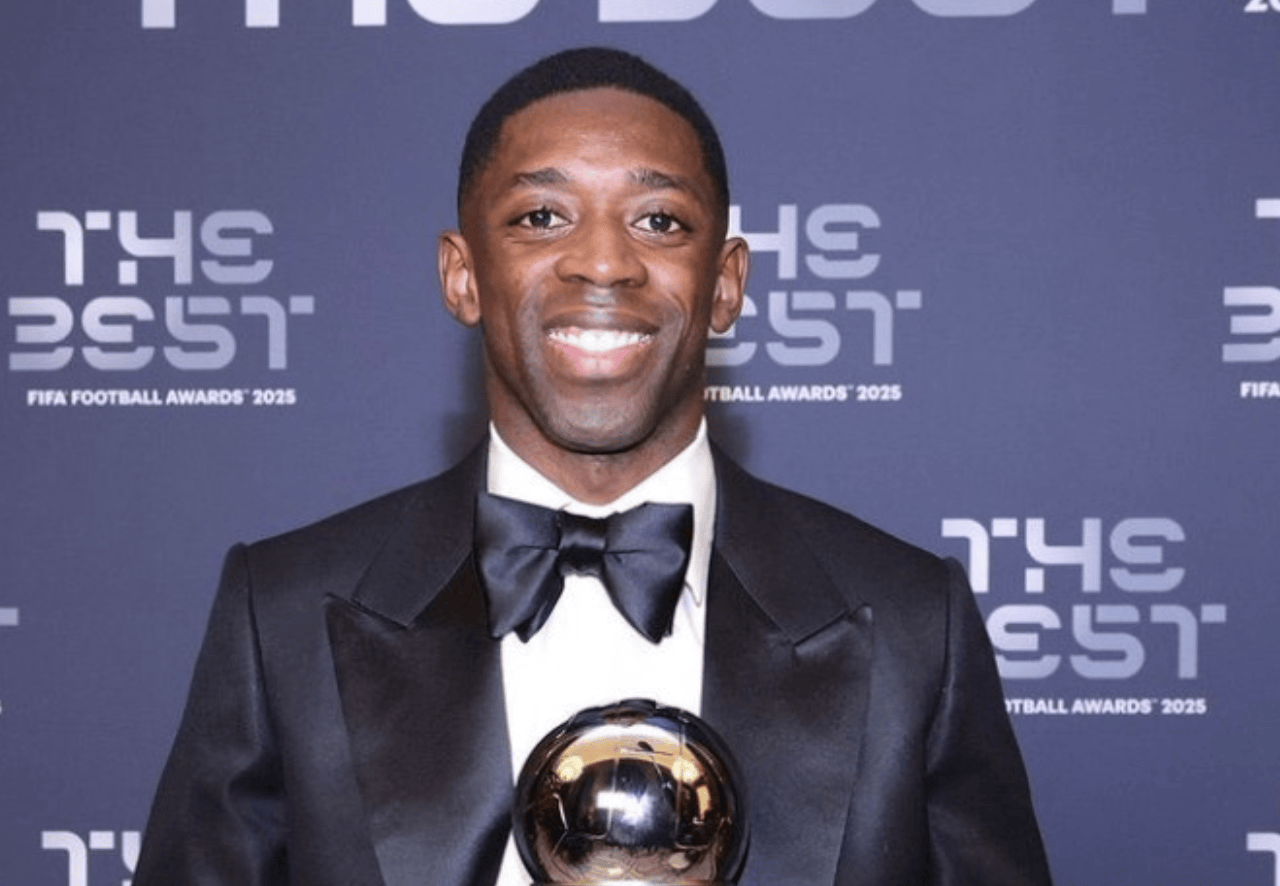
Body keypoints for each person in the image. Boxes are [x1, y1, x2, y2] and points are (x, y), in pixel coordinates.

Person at [134, 47, 1053, 886]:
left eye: (659, 220)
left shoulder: (908, 623)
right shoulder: (285, 613)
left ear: (726, 283)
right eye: (542, 217)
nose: (604, 263)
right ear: (462, 275)